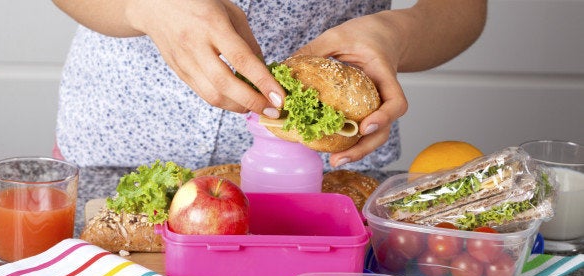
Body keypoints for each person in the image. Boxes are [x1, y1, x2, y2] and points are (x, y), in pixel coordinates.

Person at [52, 0, 487, 171]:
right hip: (122, 138)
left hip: (327, 164)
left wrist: (396, 33)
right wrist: (140, 5)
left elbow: (461, 10)